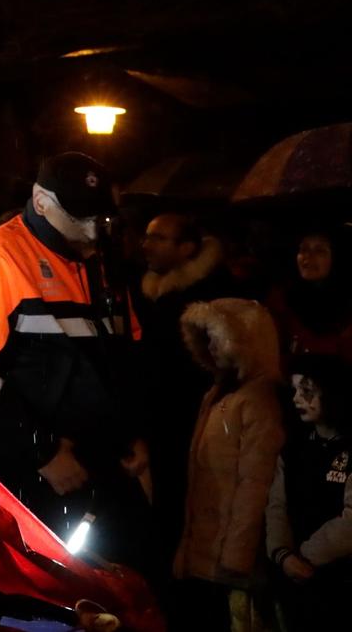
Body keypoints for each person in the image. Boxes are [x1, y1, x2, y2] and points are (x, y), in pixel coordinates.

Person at [0, 152, 154, 569]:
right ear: (40, 201)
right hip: (40, 475)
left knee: (131, 583)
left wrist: (134, 433)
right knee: (56, 596)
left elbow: (125, 352)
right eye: (79, 215)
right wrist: (42, 453)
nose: (92, 228)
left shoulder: (100, 257)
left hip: (106, 463)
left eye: (99, 215)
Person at [134, 213, 238, 571]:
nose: (146, 245)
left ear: (187, 247)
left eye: (159, 238)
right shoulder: (151, 291)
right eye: (147, 236)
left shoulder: (212, 294)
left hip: (194, 414)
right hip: (161, 414)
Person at [174, 298, 284, 632]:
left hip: (233, 561)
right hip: (210, 550)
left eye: (218, 337)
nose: (210, 346)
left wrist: (236, 558)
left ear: (245, 341)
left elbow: (255, 483)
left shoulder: (258, 401)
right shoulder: (218, 394)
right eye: (206, 338)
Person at [265, 354, 351, 629]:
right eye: (295, 390)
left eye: (307, 391)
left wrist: (304, 556)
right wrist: (283, 555)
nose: (296, 399)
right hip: (296, 583)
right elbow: (276, 505)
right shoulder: (294, 449)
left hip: (340, 583)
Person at [266, 229, 352, 363]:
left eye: (320, 251)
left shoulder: (347, 308)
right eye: (303, 249)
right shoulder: (281, 300)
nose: (307, 256)